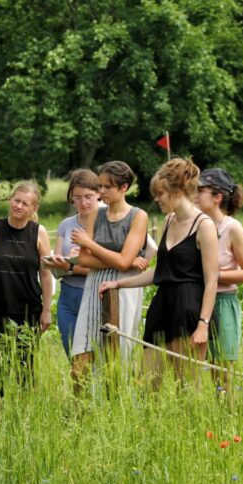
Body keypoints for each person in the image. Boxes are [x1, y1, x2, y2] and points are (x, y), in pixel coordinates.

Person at [99, 158, 219, 386]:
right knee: (147, 383)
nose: (156, 198)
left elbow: (212, 280)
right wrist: (118, 284)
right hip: (161, 306)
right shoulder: (169, 220)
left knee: (187, 387)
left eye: (160, 193)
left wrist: (203, 324)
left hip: (189, 308)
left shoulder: (204, 225)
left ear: (178, 191)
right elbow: (159, 272)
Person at [69, 161, 150, 383]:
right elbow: (83, 260)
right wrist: (124, 259)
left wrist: (90, 243)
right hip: (94, 286)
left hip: (125, 288)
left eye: (107, 187)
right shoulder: (97, 214)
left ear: (123, 187)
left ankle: (115, 406)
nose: (101, 192)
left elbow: (121, 263)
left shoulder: (138, 216)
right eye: (100, 186)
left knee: (117, 354)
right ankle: (80, 412)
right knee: (80, 360)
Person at [195, 168, 243, 392]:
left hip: (222, 302)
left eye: (200, 190)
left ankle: (226, 415)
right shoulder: (194, 225)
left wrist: (212, 276)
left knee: (221, 373)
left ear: (217, 197)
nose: (194, 195)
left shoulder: (232, 228)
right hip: (196, 300)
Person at [0, 181, 53, 334]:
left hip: (28, 311)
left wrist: (47, 310)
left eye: (25, 204)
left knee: (25, 358)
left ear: (35, 208)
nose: (19, 206)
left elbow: (45, 274)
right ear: (10, 200)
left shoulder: (39, 232)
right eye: (16, 200)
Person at [43, 169, 100, 355]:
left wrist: (74, 264)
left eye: (88, 196)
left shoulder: (106, 221)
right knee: (71, 352)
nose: (83, 202)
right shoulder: (66, 224)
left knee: (92, 354)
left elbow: (107, 265)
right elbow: (59, 266)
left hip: (93, 294)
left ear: (98, 194)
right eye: (77, 198)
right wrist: (60, 264)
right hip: (67, 296)